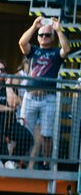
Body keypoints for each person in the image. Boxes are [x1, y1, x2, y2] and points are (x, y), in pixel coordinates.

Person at [18, 16, 69, 169]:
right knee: (23, 132)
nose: (44, 37)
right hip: (30, 97)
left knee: (47, 134)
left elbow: (66, 49)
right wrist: (34, 27)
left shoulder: (55, 52)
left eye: (47, 35)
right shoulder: (34, 50)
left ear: (52, 37)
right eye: (42, 35)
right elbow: (22, 43)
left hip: (48, 98)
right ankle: (18, 161)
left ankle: (46, 164)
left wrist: (58, 30)